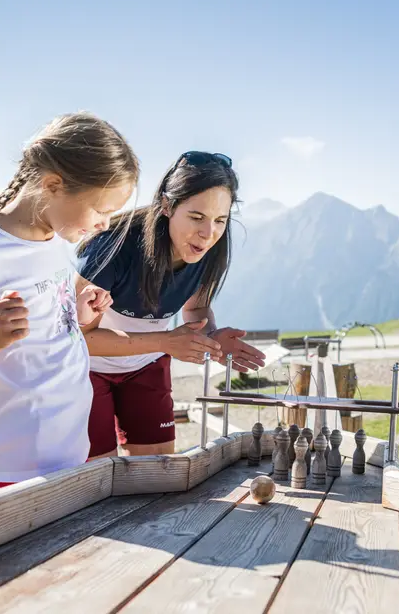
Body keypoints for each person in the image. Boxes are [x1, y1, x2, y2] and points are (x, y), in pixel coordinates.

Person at [0, 113, 139, 498]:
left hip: (69, 456)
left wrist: (79, 315)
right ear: (53, 185)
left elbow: (46, 331)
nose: (104, 225)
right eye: (100, 210)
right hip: (6, 472)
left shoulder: (54, 238)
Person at [77, 151, 266, 458]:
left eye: (221, 220)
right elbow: (82, 340)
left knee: (158, 469)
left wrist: (212, 338)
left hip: (147, 366)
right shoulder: (111, 249)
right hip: (88, 369)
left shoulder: (208, 251)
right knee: (99, 475)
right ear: (166, 205)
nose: (208, 233)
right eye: (196, 217)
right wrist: (165, 341)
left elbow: (196, 309)